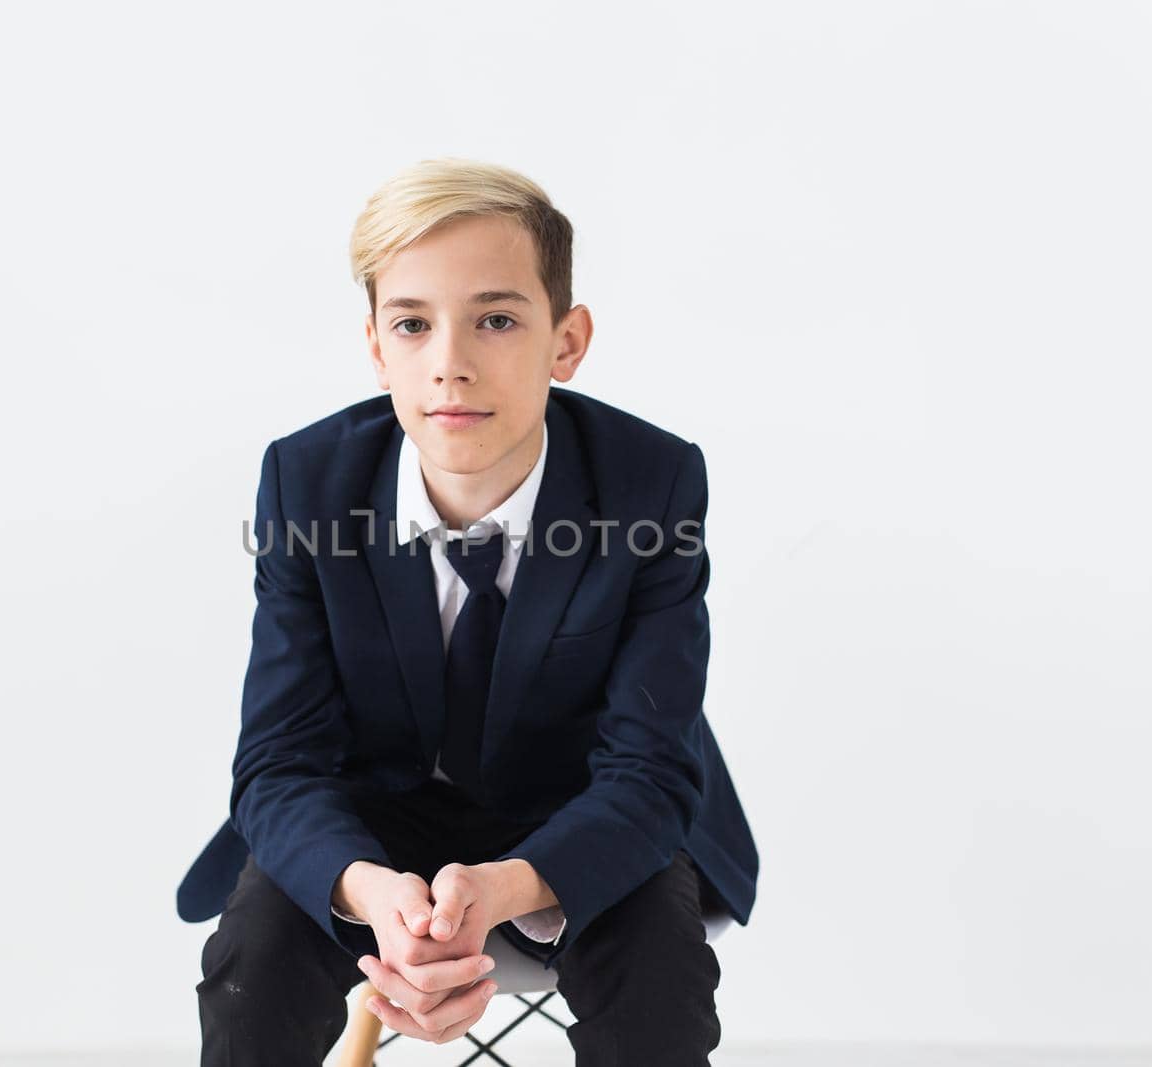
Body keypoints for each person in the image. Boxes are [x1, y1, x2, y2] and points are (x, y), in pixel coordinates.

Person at [175, 157, 759, 1065]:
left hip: (586, 808)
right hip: (376, 818)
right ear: (376, 346)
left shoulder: (653, 482)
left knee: (658, 981)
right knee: (255, 959)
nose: (449, 363)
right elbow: (279, 760)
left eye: (495, 319)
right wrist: (375, 894)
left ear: (566, 342)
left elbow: (649, 769)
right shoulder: (307, 482)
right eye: (413, 324)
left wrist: (509, 885)